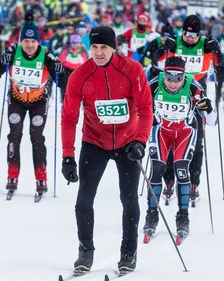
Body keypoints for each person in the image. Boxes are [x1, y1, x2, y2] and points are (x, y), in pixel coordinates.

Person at [60, 26, 153, 275]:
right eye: (95, 47)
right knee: (83, 200)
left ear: (113, 48)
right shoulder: (80, 75)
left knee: (129, 199)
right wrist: (67, 154)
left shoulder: (132, 70)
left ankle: (128, 252)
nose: (99, 53)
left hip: (128, 143)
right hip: (94, 142)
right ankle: (85, 251)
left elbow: (145, 109)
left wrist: (141, 141)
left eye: (104, 48)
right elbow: (69, 117)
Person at [143, 56, 217, 243]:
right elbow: (138, 106)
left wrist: (208, 110)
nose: (173, 83)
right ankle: (151, 215)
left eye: (178, 78)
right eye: (169, 77)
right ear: (164, 74)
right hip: (161, 131)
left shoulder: (194, 88)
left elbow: (213, 121)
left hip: (185, 132)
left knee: (182, 171)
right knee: (156, 170)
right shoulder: (154, 85)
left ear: (184, 76)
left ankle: (183, 218)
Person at [0, 23, 67, 197]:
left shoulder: (46, 56)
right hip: (17, 100)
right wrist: (2, 63)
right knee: (14, 136)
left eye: (33, 41)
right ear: (21, 41)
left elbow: (63, 84)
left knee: (37, 138)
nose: (30, 45)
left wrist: (61, 72)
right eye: (26, 41)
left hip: (38, 101)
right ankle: (12, 176)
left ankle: (41, 178)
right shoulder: (13, 52)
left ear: (38, 42)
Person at [154, 14, 223, 201]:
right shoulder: (174, 42)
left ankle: (193, 182)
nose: (190, 39)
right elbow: (155, 59)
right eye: (186, 35)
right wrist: (163, 47)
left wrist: (217, 51)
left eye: (194, 36)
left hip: (196, 92)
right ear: (182, 32)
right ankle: (169, 179)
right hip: (173, 92)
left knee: (196, 138)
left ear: (199, 34)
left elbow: (219, 65)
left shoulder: (205, 44)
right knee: (168, 135)